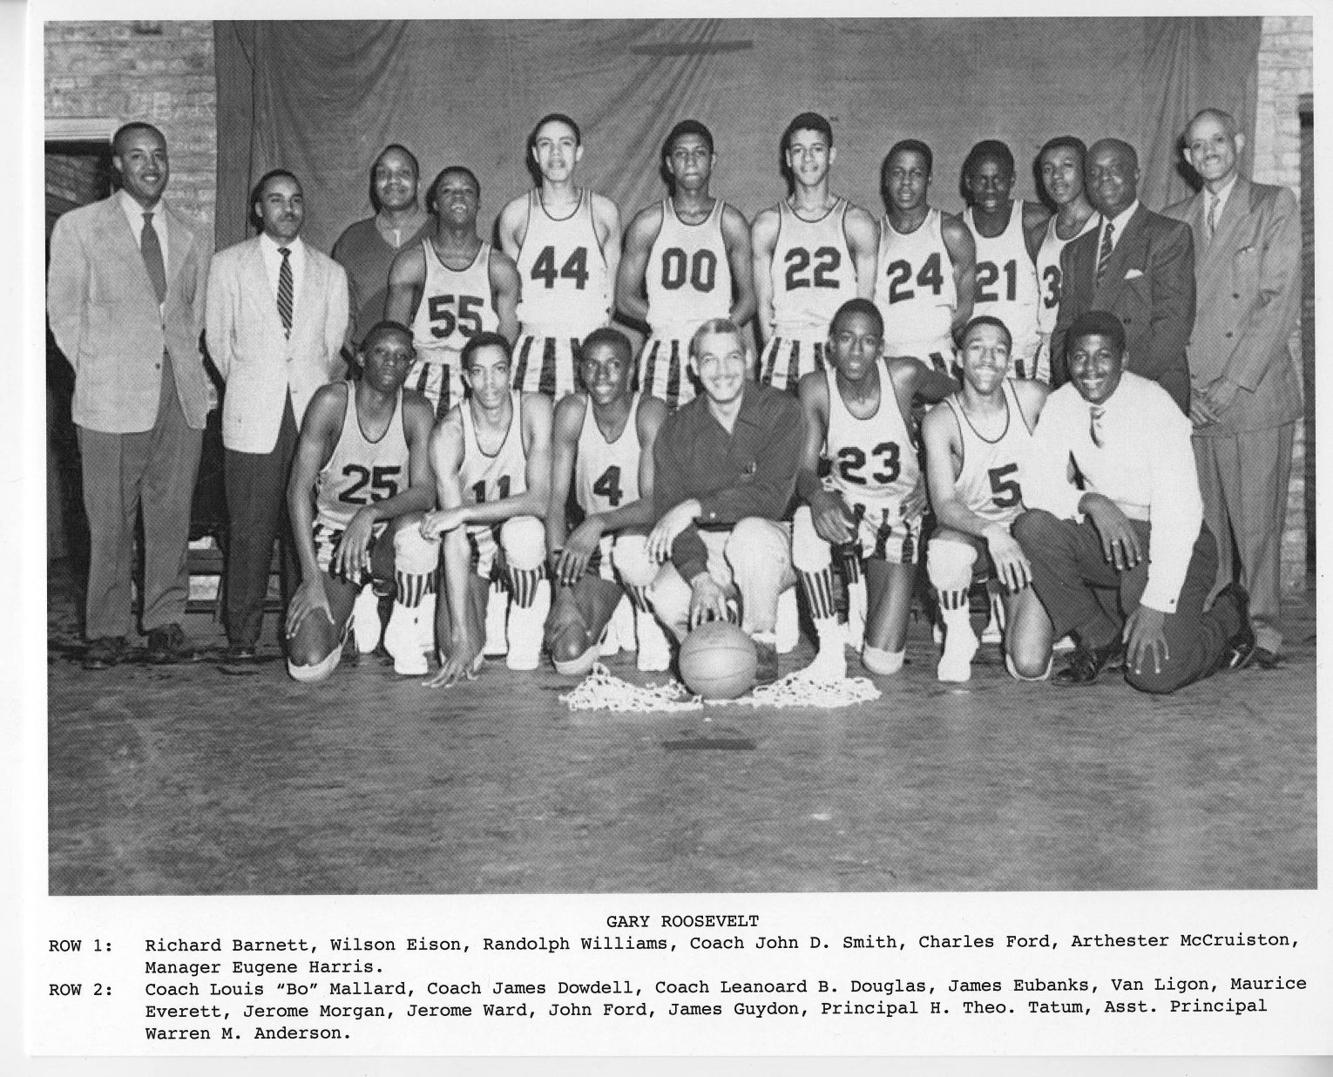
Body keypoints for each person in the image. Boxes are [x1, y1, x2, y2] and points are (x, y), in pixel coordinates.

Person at [1013, 310, 1255, 693]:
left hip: (1175, 543)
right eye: (1079, 357)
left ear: (1123, 360)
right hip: (1113, 538)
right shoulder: (1062, 404)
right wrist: (1091, 501)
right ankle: (1099, 636)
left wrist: (1157, 604)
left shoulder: (1155, 406)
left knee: (1153, 675)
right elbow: (1036, 487)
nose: (1090, 369)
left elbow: (1180, 514)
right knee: (1033, 527)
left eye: (1103, 356)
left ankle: (1227, 618)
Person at [47, 122, 215, 669]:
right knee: (109, 517)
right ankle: (107, 629)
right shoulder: (79, 227)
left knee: (170, 512)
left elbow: (194, 314)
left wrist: (187, 373)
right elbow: (64, 315)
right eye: (137, 156)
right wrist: (97, 369)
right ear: (115, 165)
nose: (150, 165)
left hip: (178, 392)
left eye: (159, 155)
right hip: (109, 395)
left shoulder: (192, 231)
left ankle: (164, 621)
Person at [1163, 109, 1303, 669]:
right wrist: (1188, 387)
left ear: (1237, 144)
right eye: (1198, 146)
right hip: (1196, 396)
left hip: (1254, 391)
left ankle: (1265, 629)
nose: (1210, 152)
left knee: (1258, 523)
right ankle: (1222, 627)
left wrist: (1232, 381)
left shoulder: (1273, 204)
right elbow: (1172, 313)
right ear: (1187, 158)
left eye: (1218, 140)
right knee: (1207, 525)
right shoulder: (1174, 218)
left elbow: (1279, 300)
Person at [205, 169, 350, 662]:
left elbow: (332, 350)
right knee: (249, 529)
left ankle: (300, 634)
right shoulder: (227, 266)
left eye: (295, 200)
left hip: (310, 415)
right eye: (275, 200)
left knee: (302, 530)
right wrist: (253, 386)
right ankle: (241, 638)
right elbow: (218, 343)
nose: (287, 209)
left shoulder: (330, 272)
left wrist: (301, 392)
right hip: (251, 415)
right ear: (257, 209)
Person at [792, 299, 957, 680]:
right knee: (805, 521)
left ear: (881, 347)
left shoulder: (905, 375)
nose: (855, 350)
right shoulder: (816, 388)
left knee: (882, 663)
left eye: (867, 341)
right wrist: (817, 495)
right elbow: (803, 469)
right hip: (847, 505)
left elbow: (961, 402)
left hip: (899, 513)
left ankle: (861, 588)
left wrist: (935, 477)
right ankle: (829, 644)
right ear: (830, 345)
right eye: (846, 339)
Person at [646, 318, 801, 683]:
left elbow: (772, 499)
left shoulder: (780, 410)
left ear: (748, 359)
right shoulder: (677, 428)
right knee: (665, 597)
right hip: (712, 545)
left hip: (773, 540)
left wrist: (697, 506)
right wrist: (699, 578)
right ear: (694, 368)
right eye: (709, 361)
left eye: (732, 357)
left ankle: (762, 635)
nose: (722, 372)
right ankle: (720, 630)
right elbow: (671, 518)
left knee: (751, 535)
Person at [284, 321, 438, 681]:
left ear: (411, 365)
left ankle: (399, 609)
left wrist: (369, 513)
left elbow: (425, 492)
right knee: (309, 665)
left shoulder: (416, 409)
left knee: (417, 528)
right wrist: (310, 579)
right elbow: (297, 491)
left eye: (401, 357)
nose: (390, 363)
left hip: (387, 537)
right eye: (382, 353)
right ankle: (356, 602)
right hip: (336, 538)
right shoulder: (331, 401)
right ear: (361, 356)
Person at [921, 316, 1052, 682]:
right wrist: (993, 532)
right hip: (976, 537)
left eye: (999, 350)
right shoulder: (940, 420)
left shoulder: (1032, 398)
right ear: (959, 357)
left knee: (1028, 667)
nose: (988, 358)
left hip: (1028, 539)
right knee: (945, 550)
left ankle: (1009, 605)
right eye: (977, 347)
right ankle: (958, 629)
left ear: (1009, 359)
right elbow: (944, 505)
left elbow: (1067, 471)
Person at [420, 332, 553, 678]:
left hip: (518, 527)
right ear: (465, 378)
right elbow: (455, 539)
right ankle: (487, 605)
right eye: (478, 372)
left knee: (524, 533)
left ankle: (525, 615)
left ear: (511, 372)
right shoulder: (448, 434)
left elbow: (539, 501)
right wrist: (460, 633)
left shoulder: (535, 409)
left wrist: (463, 510)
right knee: (462, 658)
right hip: (474, 543)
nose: (490, 382)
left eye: (498, 370)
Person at [545, 328, 671, 674]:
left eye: (613, 365)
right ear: (580, 370)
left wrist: (597, 521)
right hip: (594, 545)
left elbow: (655, 502)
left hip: (644, 539)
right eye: (592, 365)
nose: (601, 376)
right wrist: (563, 593)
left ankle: (646, 612)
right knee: (569, 655)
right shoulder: (571, 411)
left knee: (630, 551)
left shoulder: (650, 411)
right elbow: (554, 505)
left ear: (630, 371)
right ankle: (614, 605)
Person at [617, 120, 756, 410]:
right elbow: (624, 299)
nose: (690, 160)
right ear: (669, 164)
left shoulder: (731, 222)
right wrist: (667, 320)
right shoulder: (648, 222)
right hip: (664, 347)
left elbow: (749, 299)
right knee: (659, 441)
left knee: (720, 441)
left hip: (715, 352)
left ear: (712, 160)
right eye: (681, 154)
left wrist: (716, 329)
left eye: (699, 153)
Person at [1050, 138, 1196, 413]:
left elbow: (1172, 326)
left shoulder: (1169, 235)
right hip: (1086, 399)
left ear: (1135, 173)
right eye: (1093, 173)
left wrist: (1110, 391)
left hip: (1149, 393)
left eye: (1114, 168)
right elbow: (1064, 331)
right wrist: (1072, 389)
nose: (1104, 179)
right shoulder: (1075, 250)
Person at [751, 112, 878, 391]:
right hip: (785, 344)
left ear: (831, 155)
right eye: (799, 150)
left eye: (816, 149)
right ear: (787, 158)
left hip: (837, 349)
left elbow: (865, 304)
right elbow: (763, 302)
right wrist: (773, 347)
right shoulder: (768, 224)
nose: (808, 159)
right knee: (782, 434)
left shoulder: (856, 222)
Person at [498, 113, 621, 398]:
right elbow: (512, 295)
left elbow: (610, 296)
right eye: (545, 144)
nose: (555, 153)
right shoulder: (515, 215)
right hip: (534, 343)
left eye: (565, 144)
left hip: (588, 344)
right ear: (534, 154)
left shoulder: (604, 211)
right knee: (534, 438)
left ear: (578, 152)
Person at [386, 166, 520, 419]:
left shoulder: (500, 266)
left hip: (479, 377)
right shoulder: (412, 262)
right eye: (448, 191)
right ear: (435, 203)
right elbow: (394, 334)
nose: (458, 197)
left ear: (479, 203)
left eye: (467, 191)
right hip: (423, 374)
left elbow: (507, 337)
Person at [874, 139, 976, 372]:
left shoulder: (951, 232)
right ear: (886, 178)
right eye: (898, 172)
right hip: (887, 359)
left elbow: (965, 307)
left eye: (916, 173)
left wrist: (932, 331)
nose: (906, 182)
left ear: (929, 178)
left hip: (939, 358)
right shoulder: (873, 235)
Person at [332, 144, 434, 352]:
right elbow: (340, 314)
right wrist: (362, 362)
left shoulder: (442, 232)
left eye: (403, 173)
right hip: (371, 371)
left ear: (419, 184)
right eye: (383, 174)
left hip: (432, 371)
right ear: (373, 185)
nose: (393, 180)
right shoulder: (352, 239)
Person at [961, 140, 1049, 380]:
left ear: (1012, 181)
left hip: (1027, 355)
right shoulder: (957, 229)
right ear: (968, 182)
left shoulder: (1033, 219)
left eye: (998, 179)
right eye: (981, 179)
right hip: (980, 357)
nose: (990, 188)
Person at [1030, 136, 1098, 383]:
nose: (1056, 176)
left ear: (1085, 171)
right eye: (1048, 169)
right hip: (1049, 346)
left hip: (1089, 345)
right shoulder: (1039, 233)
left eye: (1066, 166)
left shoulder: (1103, 225)